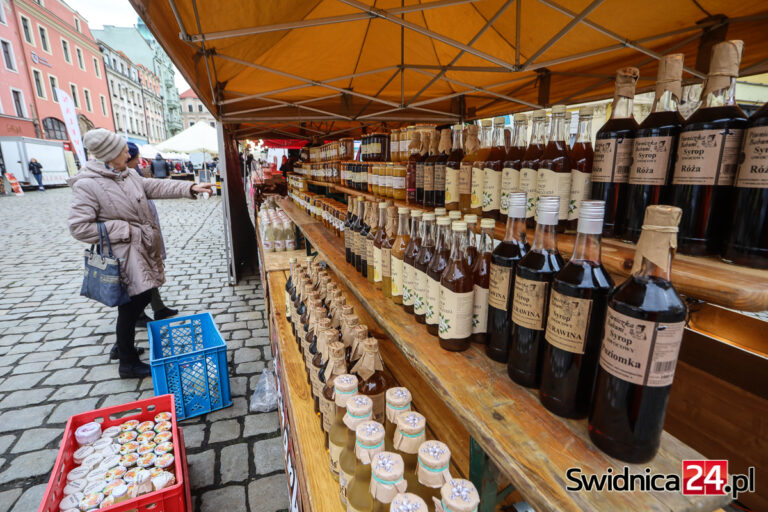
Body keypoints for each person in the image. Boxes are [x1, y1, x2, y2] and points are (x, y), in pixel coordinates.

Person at [68, 129, 214, 379]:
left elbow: (154, 186)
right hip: (124, 253)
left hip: (142, 248)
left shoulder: (126, 174)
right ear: (110, 154)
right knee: (132, 303)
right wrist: (124, 229)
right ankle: (127, 361)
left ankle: (122, 347)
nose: (128, 152)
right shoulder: (87, 185)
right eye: (123, 149)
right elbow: (79, 227)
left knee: (140, 298)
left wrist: (191, 187)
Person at [123, 142, 179, 338]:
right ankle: (122, 348)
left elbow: (159, 187)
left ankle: (158, 307)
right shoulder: (116, 182)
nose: (140, 161)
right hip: (133, 243)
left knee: (148, 278)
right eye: (136, 157)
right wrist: (130, 232)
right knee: (138, 289)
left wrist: (190, 188)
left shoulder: (132, 176)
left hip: (145, 237)